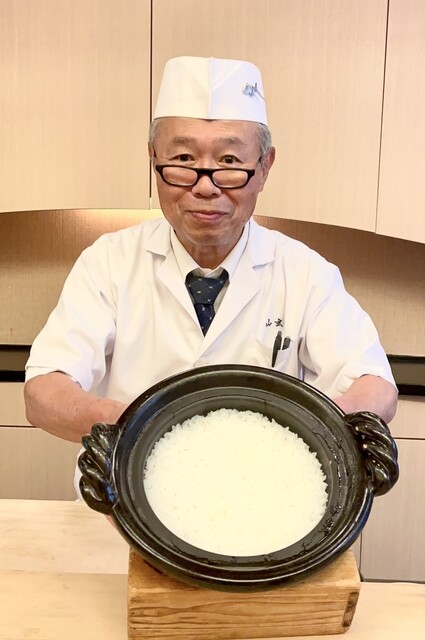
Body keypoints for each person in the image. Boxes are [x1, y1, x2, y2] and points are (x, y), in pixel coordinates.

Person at [24, 56, 397, 461]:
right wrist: (144, 427)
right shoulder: (108, 262)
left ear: (265, 166)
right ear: (153, 158)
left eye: (229, 162)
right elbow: (43, 392)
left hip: (260, 484)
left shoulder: (305, 273)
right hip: (125, 482)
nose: (206, 188)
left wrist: (300, 433)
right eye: (183, 160)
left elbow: (375, 386)